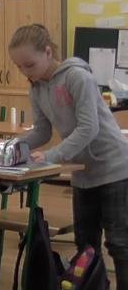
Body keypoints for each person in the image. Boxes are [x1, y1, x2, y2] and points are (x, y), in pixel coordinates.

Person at [9, 23, 128, 289]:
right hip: (82, 172)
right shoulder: (37, 88)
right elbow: (42, 131)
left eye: (29, 65)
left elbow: (89, 127)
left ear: (48, 52)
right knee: (85, 244)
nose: (25, 72)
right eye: (19, 67)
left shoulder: (77, 77)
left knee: (120, 243)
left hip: (114, 168)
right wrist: (14, 146)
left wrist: (52, 156)